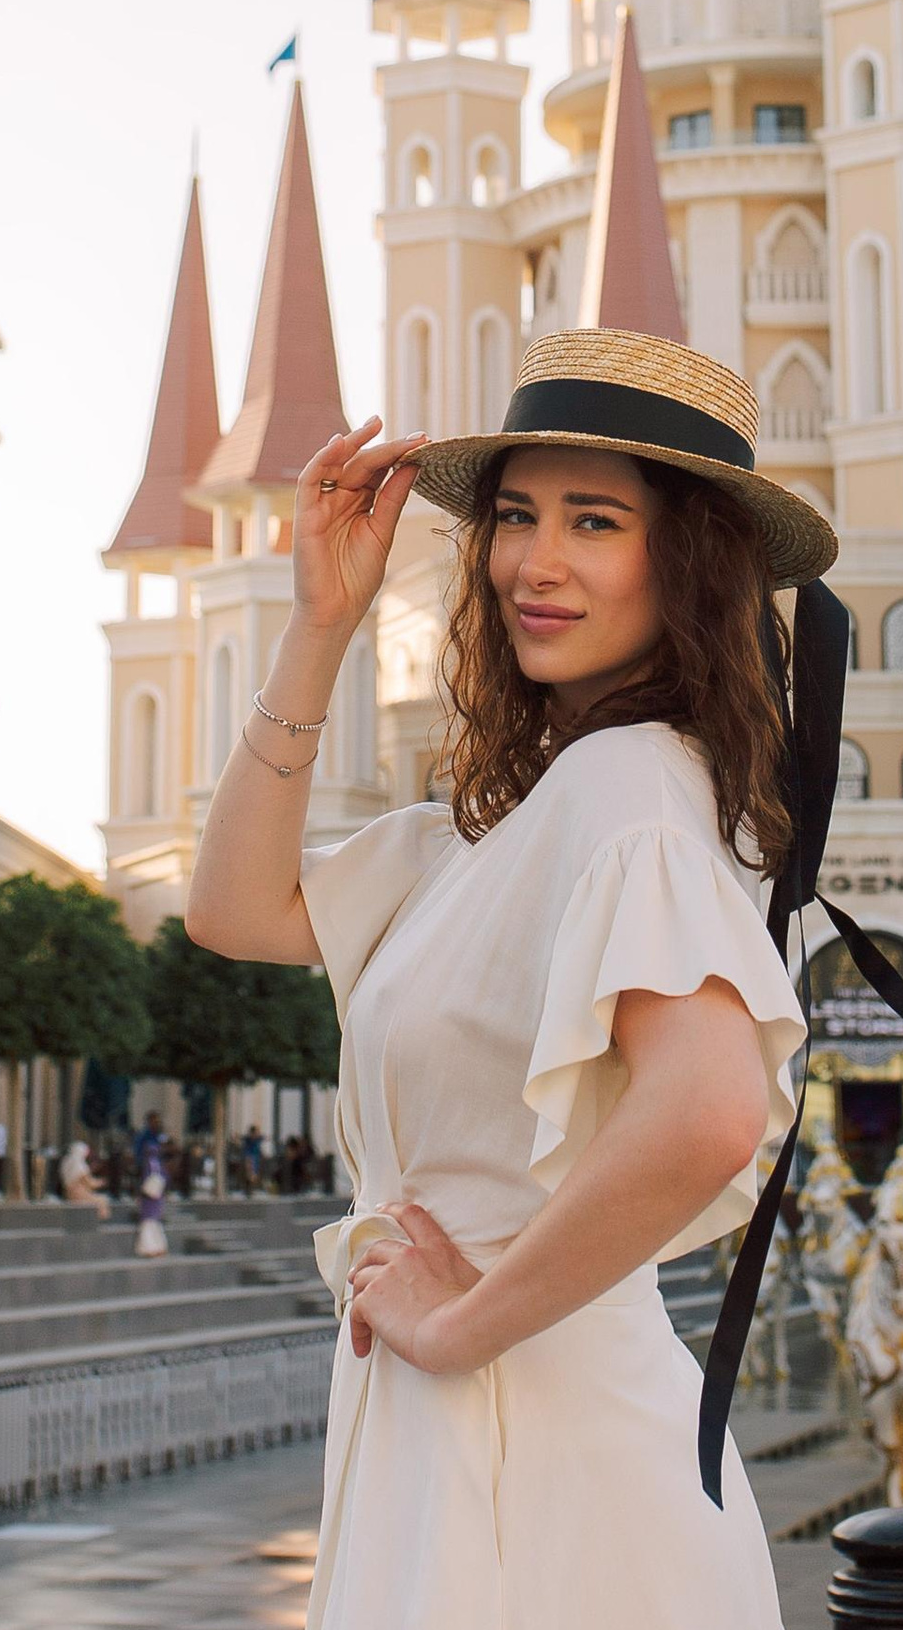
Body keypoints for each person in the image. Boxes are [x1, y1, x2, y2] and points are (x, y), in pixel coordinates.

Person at [182, 333, 864, 1627]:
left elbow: (712, 1106)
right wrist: (321, 628)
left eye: (594, 522)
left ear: (687, 562)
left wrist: (469, 1322)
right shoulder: (509, 821)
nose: (534, 565)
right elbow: (231, 911)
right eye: (515, 516)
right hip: (465, 1423)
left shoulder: (629, 792)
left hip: (539, 1448)